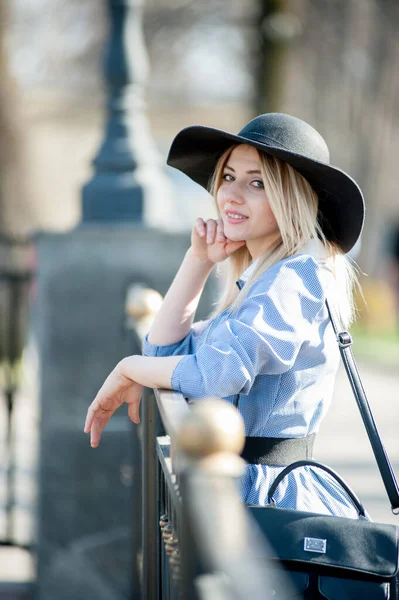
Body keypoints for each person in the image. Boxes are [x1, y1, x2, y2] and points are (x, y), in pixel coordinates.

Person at [84, 113, 365, 517]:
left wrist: (130, 367)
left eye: (257, 182)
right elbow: (164, 357)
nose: (231, 194)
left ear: (293, 197)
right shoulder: (265, 276)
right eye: (228, 177)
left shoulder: (294, 276)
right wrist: (197, 262)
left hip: (267, 496)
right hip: (234, 483)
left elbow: (215, 373)